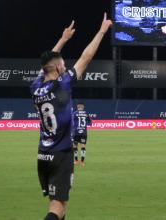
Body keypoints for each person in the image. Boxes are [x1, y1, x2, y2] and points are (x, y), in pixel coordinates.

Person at [30, 14, 112, 220]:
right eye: (64, 65)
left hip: (43, 155)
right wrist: (102, 31)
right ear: (58, 69)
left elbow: (46, 65)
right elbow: (86, 57)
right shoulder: (63, 84)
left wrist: (63, 39)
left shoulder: (35, 87)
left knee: (61, 206)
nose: (66, 68)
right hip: (61, 155)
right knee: (57, 207)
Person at [72, 102, 91, 166]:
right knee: (83, 146)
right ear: (83, 107)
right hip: (84, 132)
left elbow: (71, 122)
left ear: (77, 107)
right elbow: (90, 123)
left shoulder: (74, 113)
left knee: (75, 146)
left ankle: (76, 161)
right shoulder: (86, 113)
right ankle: (82, 162)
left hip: (76, 132)